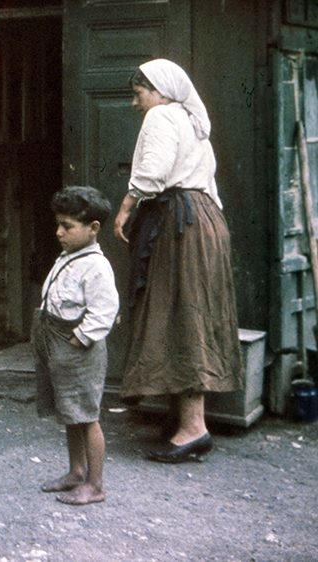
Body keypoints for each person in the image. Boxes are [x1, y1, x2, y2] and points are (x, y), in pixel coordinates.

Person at [113, 59, 244, 463]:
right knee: (190, 313)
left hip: (180, 224)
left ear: (161, 91)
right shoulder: (192, 122)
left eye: (139, 94)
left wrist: (125, 208)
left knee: (181, 315)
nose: (136, 103)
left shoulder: (163, 115)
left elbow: (153, 171)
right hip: (204, 219)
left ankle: (193, 428)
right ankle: (185, 420)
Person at [34, 186, 119, 506]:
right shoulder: (70, 255)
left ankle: (95, 484)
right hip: (55, 340)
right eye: (58, 224)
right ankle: (76, 471)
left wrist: (80, 337)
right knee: (70, 412)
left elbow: (104, 310)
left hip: (77, 347)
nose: (59, 232)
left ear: (93, 228)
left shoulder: (96, 266)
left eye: (67, 227)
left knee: (86, 414)